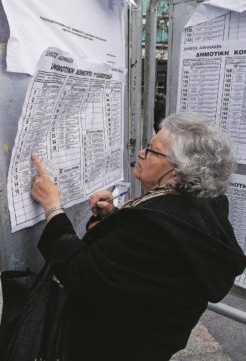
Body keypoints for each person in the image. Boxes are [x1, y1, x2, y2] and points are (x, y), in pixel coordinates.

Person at [31, 111, 246, 361]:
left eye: (152, 151)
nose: (141, 153)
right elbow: (139, 265)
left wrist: (53, 208)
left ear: (179, 170)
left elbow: (81, 272)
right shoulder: (204, 208)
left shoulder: (155, 228)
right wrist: (112, 218)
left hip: (111, 347)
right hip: (150, 344)